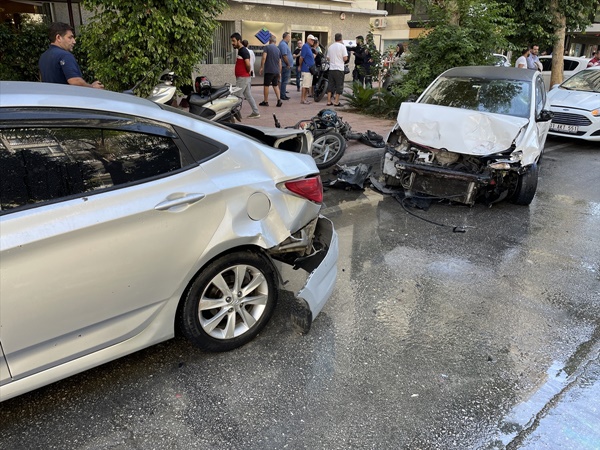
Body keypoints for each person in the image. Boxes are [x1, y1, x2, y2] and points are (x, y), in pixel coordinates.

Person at [38, 22, 103, 88]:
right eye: (70, 37)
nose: (74, 41)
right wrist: (92, 87)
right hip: (67, 97)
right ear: (58, 38)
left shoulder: (43, 56)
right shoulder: (65, 55)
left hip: (51, 97)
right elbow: (75, 81)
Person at [230, 32, 261, 118]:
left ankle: (231, 115)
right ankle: (256, 112)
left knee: (236, 96)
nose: (232, 43)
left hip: (243, 78)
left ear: (239, 41)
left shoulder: (243, 51)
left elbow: (248, 64)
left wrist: (247, 71)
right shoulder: (241, 50)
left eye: (233, 41)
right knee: (248, 95)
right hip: (244, 77)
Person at [259, 34, 283, 107]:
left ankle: (266, 101)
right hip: (276, 71)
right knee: (275, 85)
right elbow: (280, 62)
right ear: (275, 42)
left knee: (266, 85)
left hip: (269, 70)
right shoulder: (278, 49)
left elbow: (264, 57)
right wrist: (280, 72)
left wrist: (261, 67)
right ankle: (279, 100)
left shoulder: (267, 47)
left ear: (269, 41)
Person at [326, 32, 348, 107]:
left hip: (331, 68)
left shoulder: (330, 47)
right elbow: (345, 58)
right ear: (341, 38)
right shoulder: (342, 47)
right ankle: (336, 101)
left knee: (330, 85)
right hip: (339, 69)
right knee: (339, 85)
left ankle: (329, 101)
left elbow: (328, 58)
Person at [298, 34, 316, 104]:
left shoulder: (309, 47)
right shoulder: (305, 46)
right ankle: (302, 99)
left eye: (313, 40)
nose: (313, 41)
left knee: (308, 85)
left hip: (310, 70)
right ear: (308, 40)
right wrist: (300, 66)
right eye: (311, 40)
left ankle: (305, 98)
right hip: (306, 69)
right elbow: (301, 57)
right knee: (305, 85)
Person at [278, 32, 294, 100]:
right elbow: (284, 55)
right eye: (289, 37)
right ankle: (282, 95)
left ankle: (283, 93)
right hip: (285, 65)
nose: (290, 39)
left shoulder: (284, 44)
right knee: (284, 81)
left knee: (284, 80)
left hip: (285, 65)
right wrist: (288, 64)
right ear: (286, 37)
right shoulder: (283, 45)